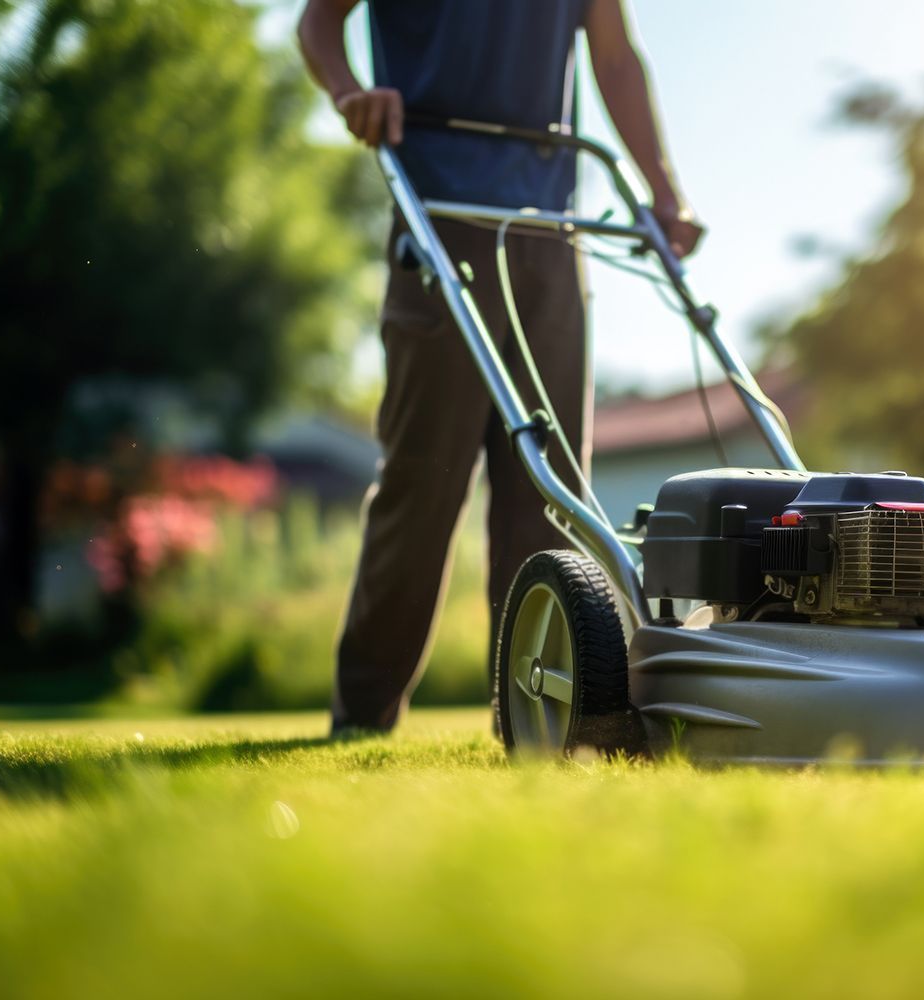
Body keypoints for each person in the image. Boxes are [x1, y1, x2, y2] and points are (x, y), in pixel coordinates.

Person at [297, 0, 703, 734]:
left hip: (550, 226)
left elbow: (615, 58)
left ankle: (535, 717)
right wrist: (350, 91)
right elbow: (319, 20)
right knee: (423, 486)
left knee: (548, 494)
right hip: (438, 214)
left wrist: (663, 189)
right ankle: (361, 714)